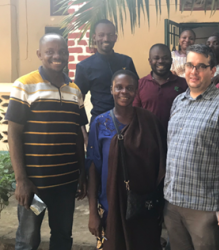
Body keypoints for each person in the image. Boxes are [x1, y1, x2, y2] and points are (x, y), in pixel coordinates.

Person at [6, 34, 88, 250]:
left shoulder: (75, 90)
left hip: (66, 185)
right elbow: (13, 133)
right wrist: (21, 180)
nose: (57, 56)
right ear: (39, 54)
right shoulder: (25, 85)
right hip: (35, 186)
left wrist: (82, 174)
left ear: (68, 55)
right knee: (28, 238)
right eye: (50, 51)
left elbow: (78, 135)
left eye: (62, 51)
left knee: (62, 237)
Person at [164, 44, 219, 250]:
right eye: (190, 65)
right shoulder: (178, 101)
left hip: (205, 207)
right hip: (173, 203)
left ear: (212, 71)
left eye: (201, 66)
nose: (194, 71)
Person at [86, 70, 167, 250]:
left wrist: (161, 205)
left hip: (144, 206)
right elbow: (93, 169)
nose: (124, 92)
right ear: (111, 89)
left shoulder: (149, 122)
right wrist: (93, 213)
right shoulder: (100, 124)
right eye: (119, 87)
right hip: (111, 206)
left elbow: (161, 165)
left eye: (130, 88)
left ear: (136, 91)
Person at [75, 19, 138, 144]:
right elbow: (77, 103)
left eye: (110, 35)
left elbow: (137, 92)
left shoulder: (126, 62)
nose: (106, 38)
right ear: (94, 37)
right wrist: (84, 135)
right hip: (100, 124)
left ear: (115, 37)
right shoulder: (84, 67)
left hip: (128, 124)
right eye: (101, 35)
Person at [133, 43, 188, 129]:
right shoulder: (140, 84)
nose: (161, 61)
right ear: (150, 61)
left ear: (171, 60)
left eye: (165, 58)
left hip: (175, 136)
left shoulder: (183, 84)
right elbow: (135, 113)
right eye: (156, 58)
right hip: (149, 136)